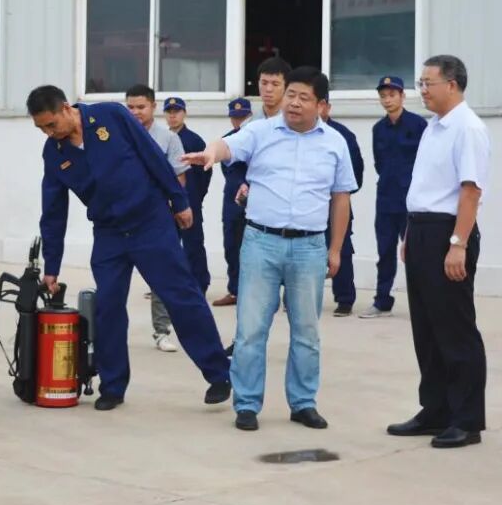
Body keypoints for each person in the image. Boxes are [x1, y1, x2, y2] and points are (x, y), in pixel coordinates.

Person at [28, 85, 231, 411]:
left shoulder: (111, 116)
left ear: (66, 108)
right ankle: (113, 385)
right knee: (107, 306)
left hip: (150, 223)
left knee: (181, 296)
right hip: (109, 233)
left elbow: (152, 157)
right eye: (42, 129)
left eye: (51, 125)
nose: (50, 133)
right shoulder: (55, 153)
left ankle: (219, 373)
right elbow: (53, 212)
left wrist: (179, 200)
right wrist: (51, 266)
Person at [183, 66, 356, 432]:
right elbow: (227, 145)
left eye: (304, 97)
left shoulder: (335, 142)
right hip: (261, 243)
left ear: (321, 105)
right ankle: (247, 404)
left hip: (309, 247)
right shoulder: (260, 131)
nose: (294, 103)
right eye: (290, 94)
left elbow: (341, 198)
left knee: (306, 332)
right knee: (250, 330)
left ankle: (303, 403)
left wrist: (336, 249)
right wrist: (211, 153)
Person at [386, 55, 489, 449]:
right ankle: (435, 409)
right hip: (422, 231)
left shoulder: (468, 128)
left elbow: (470, 190)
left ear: (453, 84)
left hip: (449, 232)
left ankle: (466, 419)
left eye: (428, 83)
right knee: (426, 328)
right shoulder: (433, 127)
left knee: (455, 328)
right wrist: (410, 235)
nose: (423, 90)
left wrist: (458, 244)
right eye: (421, 83)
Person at [126, 84, 186, 353]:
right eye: (130, 107)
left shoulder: (168, 138)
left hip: (157, 217)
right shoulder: (117, 135)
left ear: (153, 107)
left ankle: (162, 331)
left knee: (162, 276)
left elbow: (179, 177)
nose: (135, 112)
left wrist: (177, 208)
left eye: (141, 107)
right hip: (123, 217)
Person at [365, 76, 427, 318]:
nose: (387, 100)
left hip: (412, 201)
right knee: (385, 253)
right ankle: (382, 301)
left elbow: (426, 163)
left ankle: (423, 305)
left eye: (392, 95)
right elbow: (379, 163)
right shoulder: (378, 129)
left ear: (402, 96)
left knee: (415, 255)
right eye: (383, 96)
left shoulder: (418, 125)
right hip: (386, 200)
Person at [319, 86, 364, 316]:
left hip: (336, 203)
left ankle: (345, 299)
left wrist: (338, 194)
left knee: (341, 250)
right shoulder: (297, 132)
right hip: (308, 205)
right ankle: (295, 298)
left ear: (327, 107)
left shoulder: (343, 136)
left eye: (321, 105)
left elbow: (356, 174)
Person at [164, 96, 213, 295]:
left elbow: (205, 172)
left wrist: (195, 196)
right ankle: (170, 285)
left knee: (193, 243)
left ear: (184, 113)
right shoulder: (162, 138)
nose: (173, 116)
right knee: (168, 245)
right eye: (169, 112)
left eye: (177, 111)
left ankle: (199, 284)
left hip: (189, 200)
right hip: (167, 201)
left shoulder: (194, 140)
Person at [213, 97, 252, 307]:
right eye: (235, 117)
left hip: (255, 200)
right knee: (231, 245)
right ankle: (235, 290)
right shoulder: (227, 141)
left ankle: (255, 293)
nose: (238, 121)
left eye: (243, 117)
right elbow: (227, 170)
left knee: (254, 248)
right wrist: (239, 185)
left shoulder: (257, 138)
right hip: (232, 200)